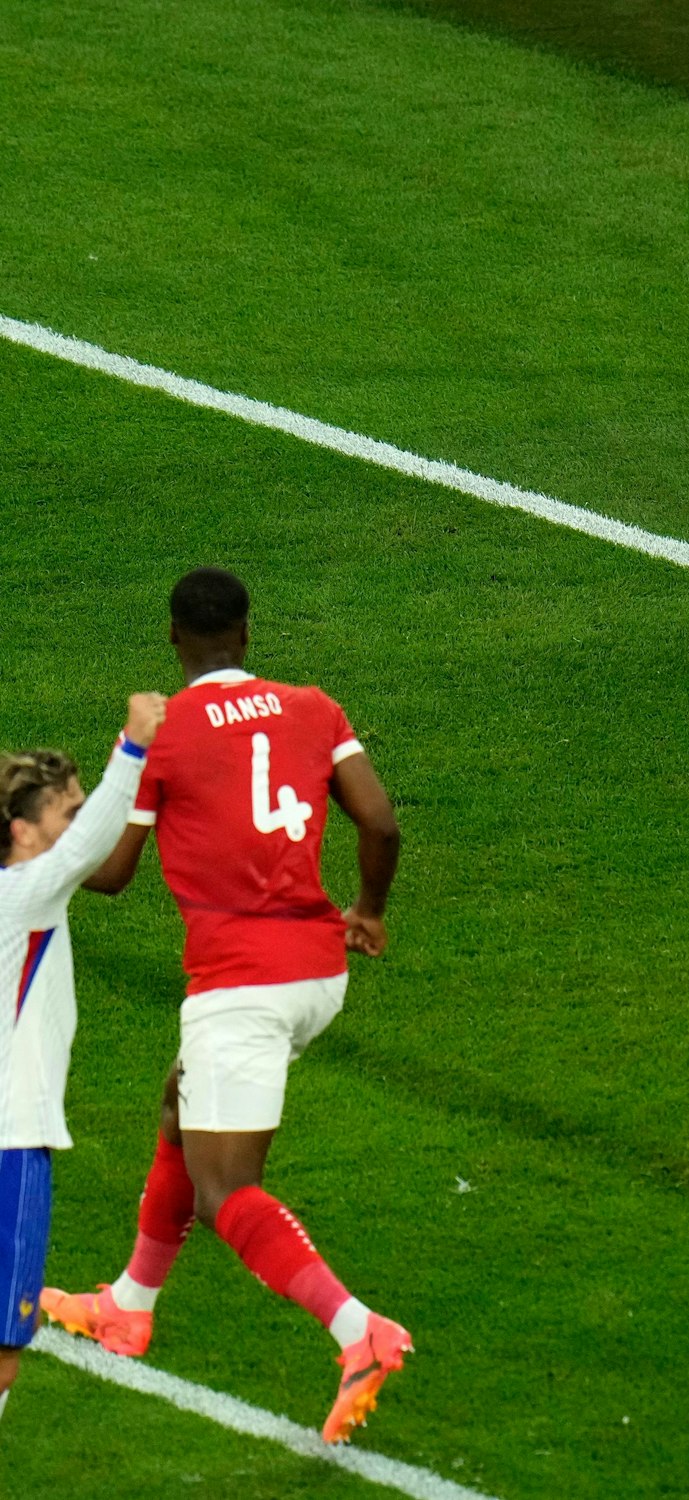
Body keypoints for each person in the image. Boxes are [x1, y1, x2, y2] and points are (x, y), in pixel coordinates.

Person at [39, 568, 410, 1443]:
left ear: (174, 639)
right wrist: (371, 913)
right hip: (319, 970)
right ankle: (128, 1306)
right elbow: (381, 824)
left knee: (226, 1191)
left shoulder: (162, 738)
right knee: (179, 1102)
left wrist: (53, 839)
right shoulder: (315, 708)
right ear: (247, 635)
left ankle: (360, 1332)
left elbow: (114, 875)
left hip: (242, 986)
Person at [0, 696, 167, 1420]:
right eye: (65, 811)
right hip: (10, 1146)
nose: (78, 823)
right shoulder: (25, 897)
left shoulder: (23, 898)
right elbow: (83, 851)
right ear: (21, 834)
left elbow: (85, 852)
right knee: (4, 1352)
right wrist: (132, 750)